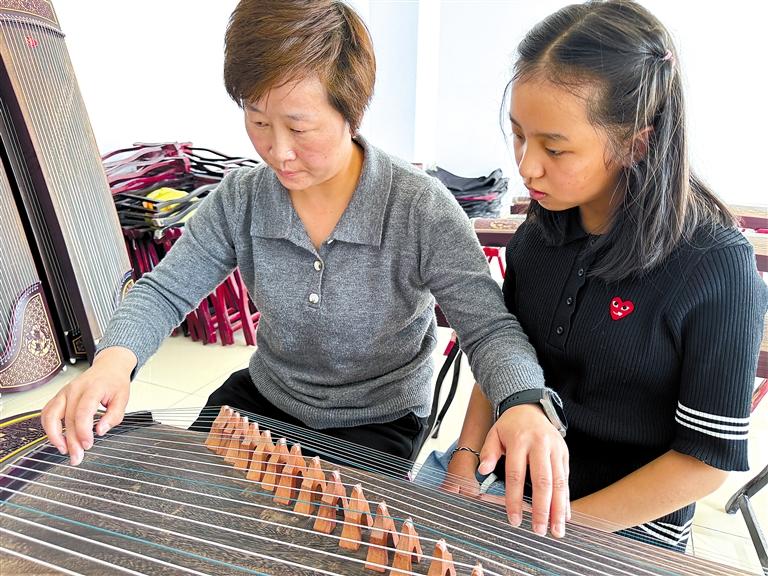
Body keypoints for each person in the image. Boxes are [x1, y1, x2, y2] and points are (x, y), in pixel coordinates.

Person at [40, 0, 569, 537]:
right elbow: (164, 291)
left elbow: (488, 328)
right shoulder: (244, 198)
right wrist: (112, 363)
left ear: (352, 114)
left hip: (376, 420)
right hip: (267, 397)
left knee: (318, 547)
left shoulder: (418, 208)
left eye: (299, 127)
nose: (278, 151)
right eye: (258, 121)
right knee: (186, 517)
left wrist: (523, 400)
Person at [421, 0, 767, 551]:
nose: (526, 167)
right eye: (518, 135)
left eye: (555, 148)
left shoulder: (714, 264)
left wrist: (563, 529)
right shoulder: (544, 225)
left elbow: (705, 463)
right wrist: (464, 462)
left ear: (636, 142)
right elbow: (499, 351)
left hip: (624, 523)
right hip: (507, 484)